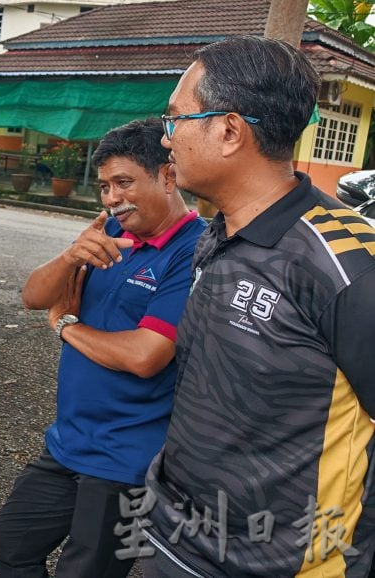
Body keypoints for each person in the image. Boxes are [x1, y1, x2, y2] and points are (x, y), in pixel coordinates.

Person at [142, 35, 375, 577]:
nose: (166, 136)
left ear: (229, 131)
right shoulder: (218, 233)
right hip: (175, 535)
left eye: (175, 118)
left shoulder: (349, 262)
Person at [0, 118, 205, 577]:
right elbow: (33, 297)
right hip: (70, 442)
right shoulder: (110, 230)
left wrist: (66, 326)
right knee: (10, 543)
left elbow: (146, 356)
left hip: (129, 459)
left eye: (124, 183)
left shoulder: (192, 251)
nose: (111, 198)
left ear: (168, 176)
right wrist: (71, 256)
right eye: (105, 186)